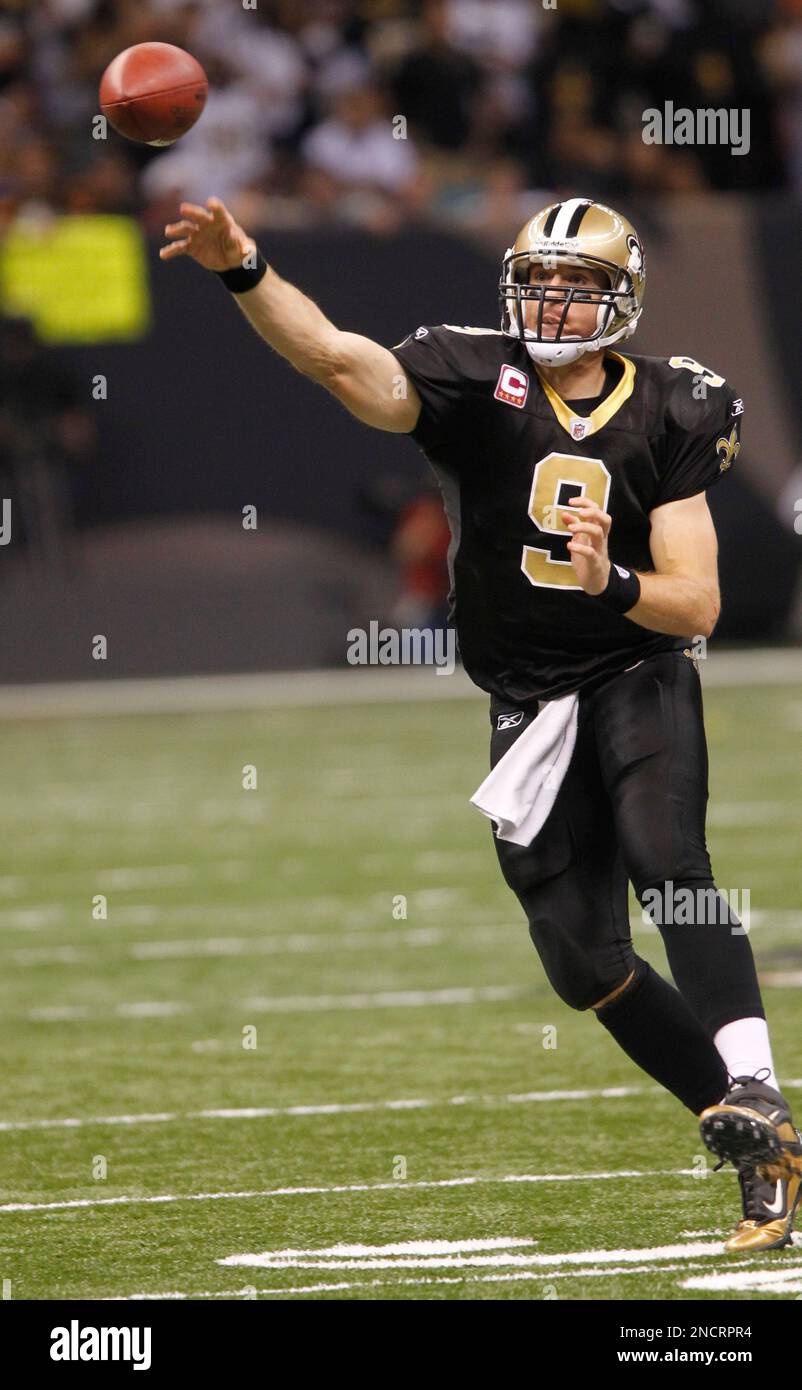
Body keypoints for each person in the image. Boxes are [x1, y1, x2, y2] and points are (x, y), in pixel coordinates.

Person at [160, 193, 801, 1253]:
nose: (552, 301)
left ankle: (758, 1086)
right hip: (524, 693)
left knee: (665, 857)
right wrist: (244, 268)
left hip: (636, 665)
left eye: (577, 283)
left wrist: (611, 578)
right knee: (582, 960)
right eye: (539, 280)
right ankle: (758, 1143)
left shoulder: (676, 404)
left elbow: (696, 606)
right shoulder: (468, 375)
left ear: (621, 297)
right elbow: (331, 356)